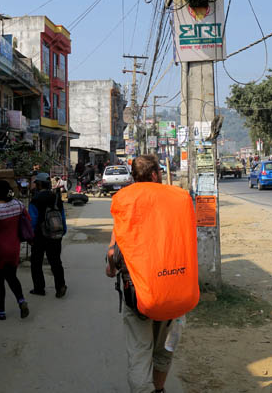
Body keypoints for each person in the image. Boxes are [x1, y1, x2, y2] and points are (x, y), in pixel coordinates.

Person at [105, 155, 197, 393]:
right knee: (165, 349)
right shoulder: (180, 198)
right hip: (174, 290)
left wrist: (111, 268)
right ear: (155, 174)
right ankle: (159, 390)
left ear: (134, 176)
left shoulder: (124, 200)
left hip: (137, 293)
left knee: (139, 353)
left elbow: (113, 251)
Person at [0, 180, 30, 320]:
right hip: (14, 247)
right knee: (12, 276)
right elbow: (27, 220)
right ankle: (21, 300)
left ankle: (1, 311)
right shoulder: (18, 205)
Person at [29, 173, 67, 298]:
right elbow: (62, 215)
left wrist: (31, 236)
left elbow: (33, 220)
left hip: (40, 235)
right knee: (56, 261)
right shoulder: (56, 197)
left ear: (39, 184)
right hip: (55, 233)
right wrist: (63, 230)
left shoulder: (35, 199)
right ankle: (60, 286)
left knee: (36, 262)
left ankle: (39, 288)